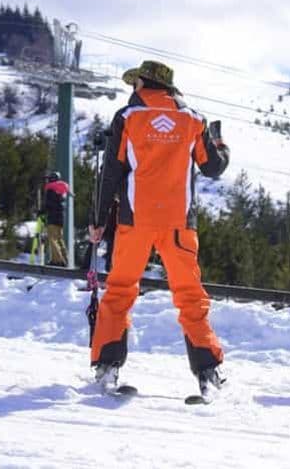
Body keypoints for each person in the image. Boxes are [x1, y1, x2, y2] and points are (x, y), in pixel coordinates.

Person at [88, 60, 230, 397]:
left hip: (135, 221)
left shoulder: (128, 117)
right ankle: (208, 371)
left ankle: (108, 367)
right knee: (190, 297)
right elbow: (212, 168)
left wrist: (98, 219)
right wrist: (221, 146)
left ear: (142, 83)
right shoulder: (194, 119)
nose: (131, 88)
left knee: (120, 291)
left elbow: (111, 173)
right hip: (179, 224)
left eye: (134, 82)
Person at [43, 171, 73, 266]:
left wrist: (41, 211)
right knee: (59, 239)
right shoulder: (62, 191)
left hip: (52, 217)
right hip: (60, 218)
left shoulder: (51, 189)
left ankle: (58, 261)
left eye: (49, 178)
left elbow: (49, 204)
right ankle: (64, 259)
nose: (47, 180)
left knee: (52, 239)